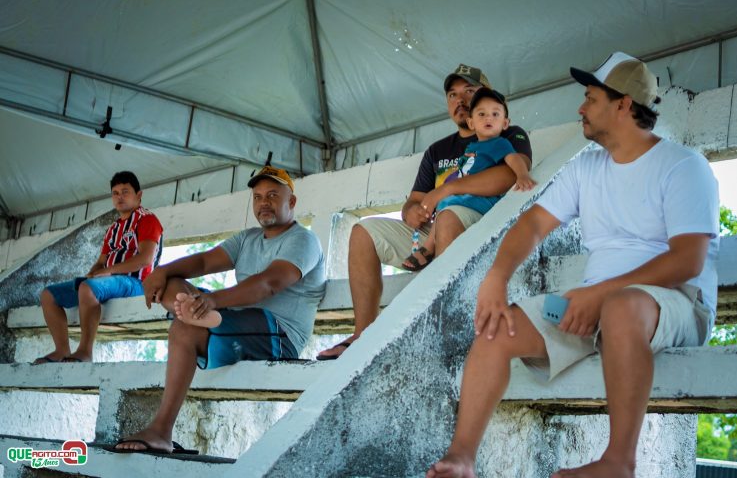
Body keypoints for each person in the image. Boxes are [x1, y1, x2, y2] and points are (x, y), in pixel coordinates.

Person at [426, 52, 720, 478]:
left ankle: (618, 463)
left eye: (590, 98)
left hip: (674, 303)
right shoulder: (586, 168)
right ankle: (461, 457)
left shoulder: (682, 165)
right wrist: (497, 276)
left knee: (621, 306)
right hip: (595, 306)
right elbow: (531, 224)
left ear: (622, 105)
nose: (580, 109)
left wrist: (600, 295)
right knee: (497, 326)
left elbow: (687, 260)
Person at [317, 64, 533, 360]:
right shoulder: (437, 150)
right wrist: (411, 214)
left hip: (482, 227)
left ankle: (445, 329)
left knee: (446, 217)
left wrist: (446, 190)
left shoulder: (507, 133)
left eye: (469, 92)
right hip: (435, 233)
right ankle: (362, 335)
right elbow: (414, 200)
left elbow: (511, 177)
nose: (460, 100)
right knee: (362, 232)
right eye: (453, 95)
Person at [113, 166, 326, 454]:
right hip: (237, 325)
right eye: (258, 196)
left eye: (273, 195)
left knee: (183, 327)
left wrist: (212, 301)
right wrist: (161, 271)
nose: (264, 202)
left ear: (292, 202)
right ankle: (199, 314)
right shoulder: (248, 238)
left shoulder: (303, 239)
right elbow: (202, 263)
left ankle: (161, 430)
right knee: (172, 284)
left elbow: (268, 284)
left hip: (279, 335)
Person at [33, 171, 163, 364]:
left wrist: (107, 271)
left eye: (125, 191)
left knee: (87, 288)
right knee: (48, 295)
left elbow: (145, 259)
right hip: (109, 281)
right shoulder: (113, 228)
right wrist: (94, 271)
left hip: (137, 283)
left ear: (139, 195)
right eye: (115, 193)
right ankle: (61, 350)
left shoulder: (147, 219)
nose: (119, 196)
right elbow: (102, 261)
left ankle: (85, 352)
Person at [401, 87, 536, 271]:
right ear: (471, 122)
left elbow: (515, 160)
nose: (488, 118)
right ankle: (428, 247)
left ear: (505, 123)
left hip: (482, 202)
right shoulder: (472, 147)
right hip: (465, 201)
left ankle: (428, 251)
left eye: (495, 114)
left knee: (447, 212)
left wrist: (522, 175)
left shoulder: (501, 142)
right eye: (482, 114)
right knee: (444, 207)